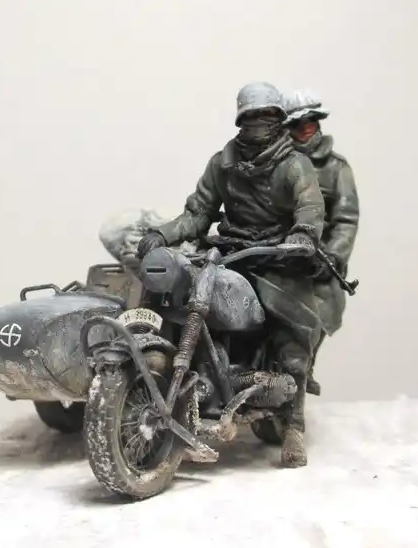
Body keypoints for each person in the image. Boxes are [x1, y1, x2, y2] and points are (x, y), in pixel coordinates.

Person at [136, 81, 326, 468]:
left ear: (279, 119)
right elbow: (198, 213)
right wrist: (163, 234)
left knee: (293, 332)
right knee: (182, 297)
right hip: (230, 252)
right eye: (251, 116)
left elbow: (309, 206)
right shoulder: (222, 163)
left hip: (277, 258)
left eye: (267, 116)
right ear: (240, 119)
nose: (258, 123)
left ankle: (294, 425)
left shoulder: (295, 164)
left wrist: (303, 235)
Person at [282, 89, 360, 396]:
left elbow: (346, 220)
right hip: (279, 252)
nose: (305, 129)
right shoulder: (278, 164)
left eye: (310, 121)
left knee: (318, 311)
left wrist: (334, 255)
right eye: (297, 124)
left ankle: (304, 365)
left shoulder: (336, 168)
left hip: (319, 260)